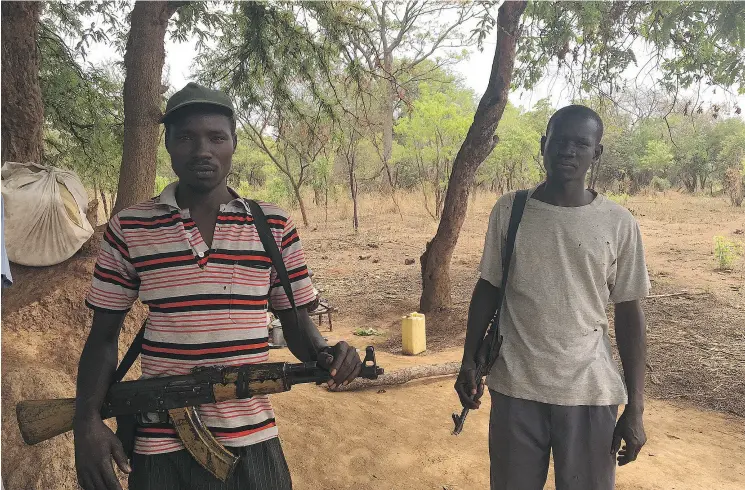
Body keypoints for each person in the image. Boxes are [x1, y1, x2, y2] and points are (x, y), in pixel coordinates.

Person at [73, 83, 362, 490]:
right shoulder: (131, 226)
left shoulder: (273, 226)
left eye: (216, 137)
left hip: (252, 436)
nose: (202, 150)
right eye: (187, 137)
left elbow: (295, 322)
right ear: (169, 145)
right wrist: (85, 424)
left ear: (234, 144)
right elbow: (103, 338)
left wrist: (328, 353)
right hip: (158, 442)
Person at [455, 105, 650, 490]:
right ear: (543, 145)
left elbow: (630, 313)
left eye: (581, 143)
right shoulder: (511, 210)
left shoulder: (618, 223)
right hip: (516, 388)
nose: (568, 151)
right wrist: (467, 359)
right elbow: (488, 288)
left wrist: (636, 406)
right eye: (559, 141)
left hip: (590, 393)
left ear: (597, 153)